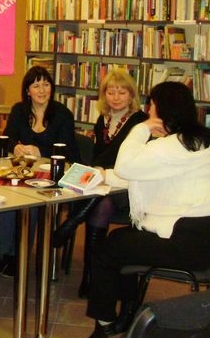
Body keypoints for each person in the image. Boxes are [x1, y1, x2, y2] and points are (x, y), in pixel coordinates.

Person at [70, 81, 210, 338]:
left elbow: (127, 165)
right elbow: (146, 172)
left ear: (163, 110)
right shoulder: (192, 143)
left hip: (185, 240)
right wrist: (103, 175)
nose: (148, 111)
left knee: (107, 251)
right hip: (199, 235)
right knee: (123, 242)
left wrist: (141, 128)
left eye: (151, 106)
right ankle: (126, 319)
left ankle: (104, 329)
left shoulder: (171, 146)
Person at [52, 69, 148, 297]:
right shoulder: (102, 120)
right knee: (99, 202)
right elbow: (98, 156)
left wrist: (98, 172)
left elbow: (121, 158)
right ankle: (90, 276)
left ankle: (71, 225)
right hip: (103, 182)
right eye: (111, 92)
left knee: (101, 202)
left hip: (128, 186)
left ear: (131, 95)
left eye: (122, 92)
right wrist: (94, 173)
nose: (116, 97)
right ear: (104, 95)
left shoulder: (139, 122)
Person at [0, 66, 80, 276]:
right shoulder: (19, 110)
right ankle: (2, 254)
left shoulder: (62, 114)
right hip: (23, 171)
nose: (41, 90)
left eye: (46, 85)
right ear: (27, 90)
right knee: (6, 197)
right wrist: (15, 147)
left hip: (51, 177)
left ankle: (19, 257)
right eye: (36, 85)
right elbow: (6, 138)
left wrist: (40, 151)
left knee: (30, 203)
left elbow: (68, 150)